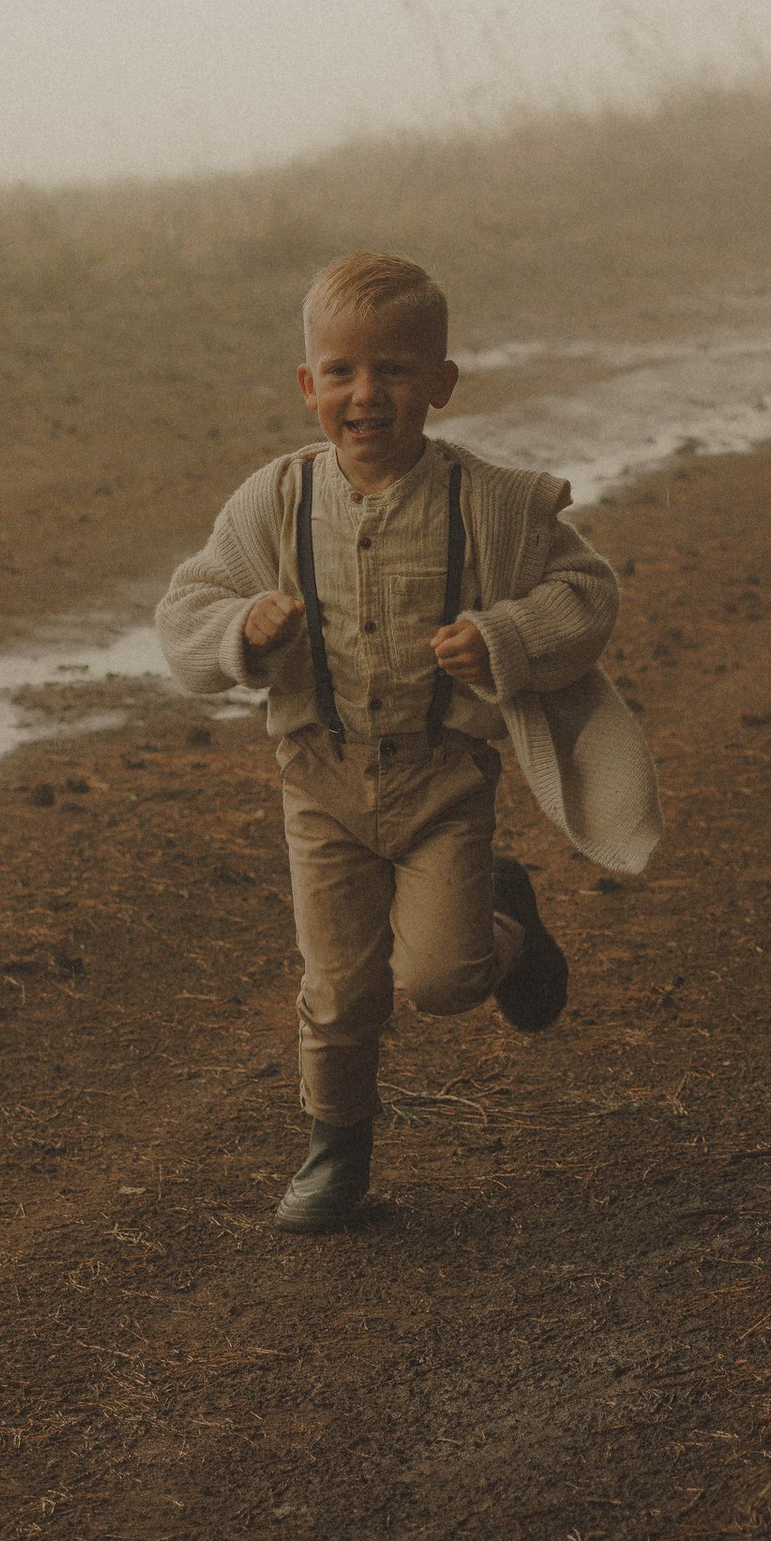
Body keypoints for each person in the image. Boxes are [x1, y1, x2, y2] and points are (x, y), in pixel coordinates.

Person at [155, 249, 660, 1234]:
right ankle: (335, 1154)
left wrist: (507, 637)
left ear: (440, 383)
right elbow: (188, 608)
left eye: (393, 370)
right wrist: (240, 632)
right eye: (341, 372)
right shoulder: (278, 500)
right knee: (340, 988)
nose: (366, 394)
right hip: (321, 785)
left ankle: (502, 927)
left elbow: (587, 595)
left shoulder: (490, 504)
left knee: (439, 981)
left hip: (444, 782)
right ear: (308, 387)